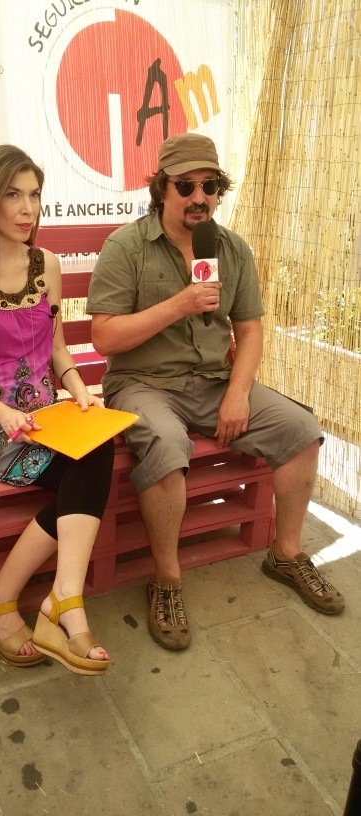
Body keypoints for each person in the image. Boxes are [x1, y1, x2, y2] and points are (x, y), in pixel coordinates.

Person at [87, 132, 345, 651]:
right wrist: (179, 304)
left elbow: (249, 329)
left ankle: (286, 555)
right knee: (166, 444)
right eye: (186, 186)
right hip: (143, 383)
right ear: (162, 189)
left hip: (213, 382)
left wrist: (238, 393)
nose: (199, 196)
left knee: (300, 429)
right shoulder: (126, 246)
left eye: (210, 186)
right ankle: (166, 578)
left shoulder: (230, 248)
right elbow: (104, 337)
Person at [0, 144, 114, 675]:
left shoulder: (45, 265)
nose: (27, 208)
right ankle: (37, 605)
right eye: (12, 194)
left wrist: (79, 389)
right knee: (88, 470)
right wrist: (0, 411)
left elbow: (57, 349)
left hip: (43, 416)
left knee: (98, 446)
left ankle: (28, 600)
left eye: (34, 195)